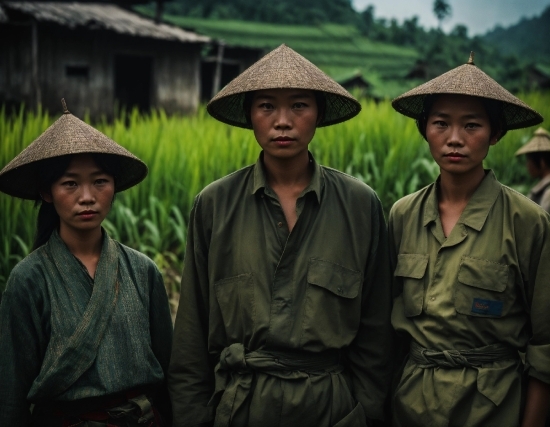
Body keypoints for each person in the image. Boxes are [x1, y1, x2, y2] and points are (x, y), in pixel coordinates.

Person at [168, 44, 393, 427]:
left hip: (332, 409)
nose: (282, 121)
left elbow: (377, 338)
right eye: (267, 106)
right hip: (241, 408)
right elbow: (191, 338)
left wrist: (363, 414)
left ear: (318, 114)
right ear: (250, 115)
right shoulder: (214, 205)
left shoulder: (360, 205)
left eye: (299, 106)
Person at [389, 52, 550, 427]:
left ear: (495, 134)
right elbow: (386, 334)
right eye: (441, 123)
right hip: (410, 404)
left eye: (472, 126)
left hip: (494, 408)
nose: (455, 139)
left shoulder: (527, 222)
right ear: (424, 128)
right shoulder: (402, 215)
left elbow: (545, 347)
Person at [0, 100, 173, 426]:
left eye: (99, 181)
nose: (87, 197)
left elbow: (170, 372)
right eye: (70, 184)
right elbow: (11, 392)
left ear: (114, 187)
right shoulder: (29, 279)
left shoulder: (142, 270)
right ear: (47, 192)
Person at [515, 127, 550, 213]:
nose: (527, 165)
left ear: (542, 162)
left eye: (529, 160)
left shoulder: (548, 193)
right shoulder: (542, 189)